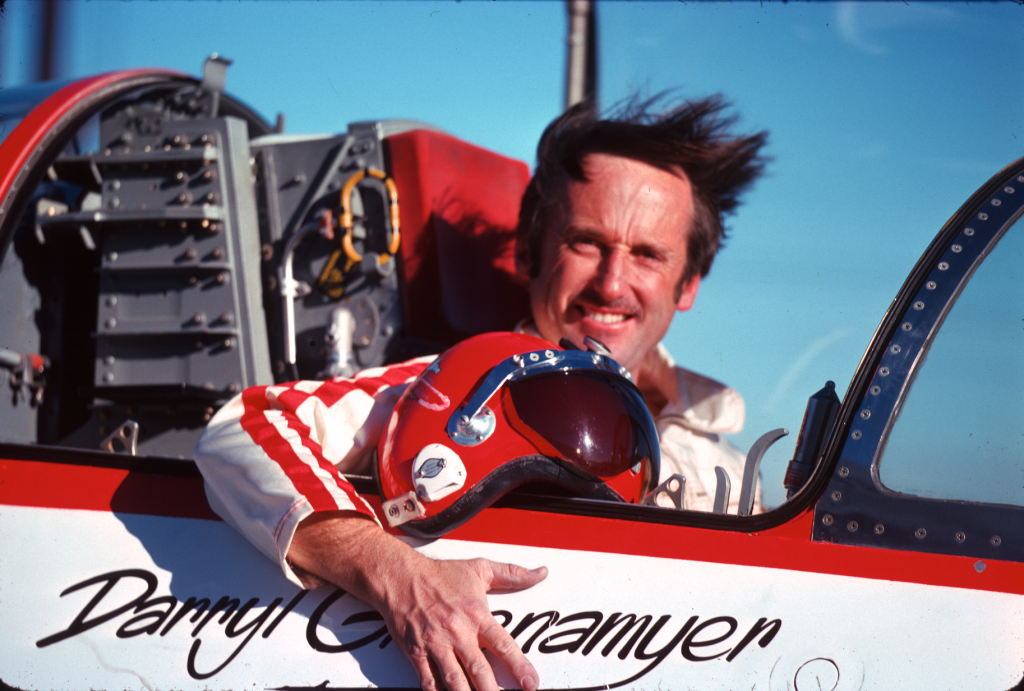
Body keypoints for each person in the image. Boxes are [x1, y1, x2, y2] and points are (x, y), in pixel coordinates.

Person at [194, 96, 767, 691]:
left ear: (688, 283)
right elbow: (247, 426)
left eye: (647, 255)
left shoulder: (720, 463)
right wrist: (396, 573)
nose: (612, 283)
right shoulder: (454, 387)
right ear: (529, 252)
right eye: (586, 243)